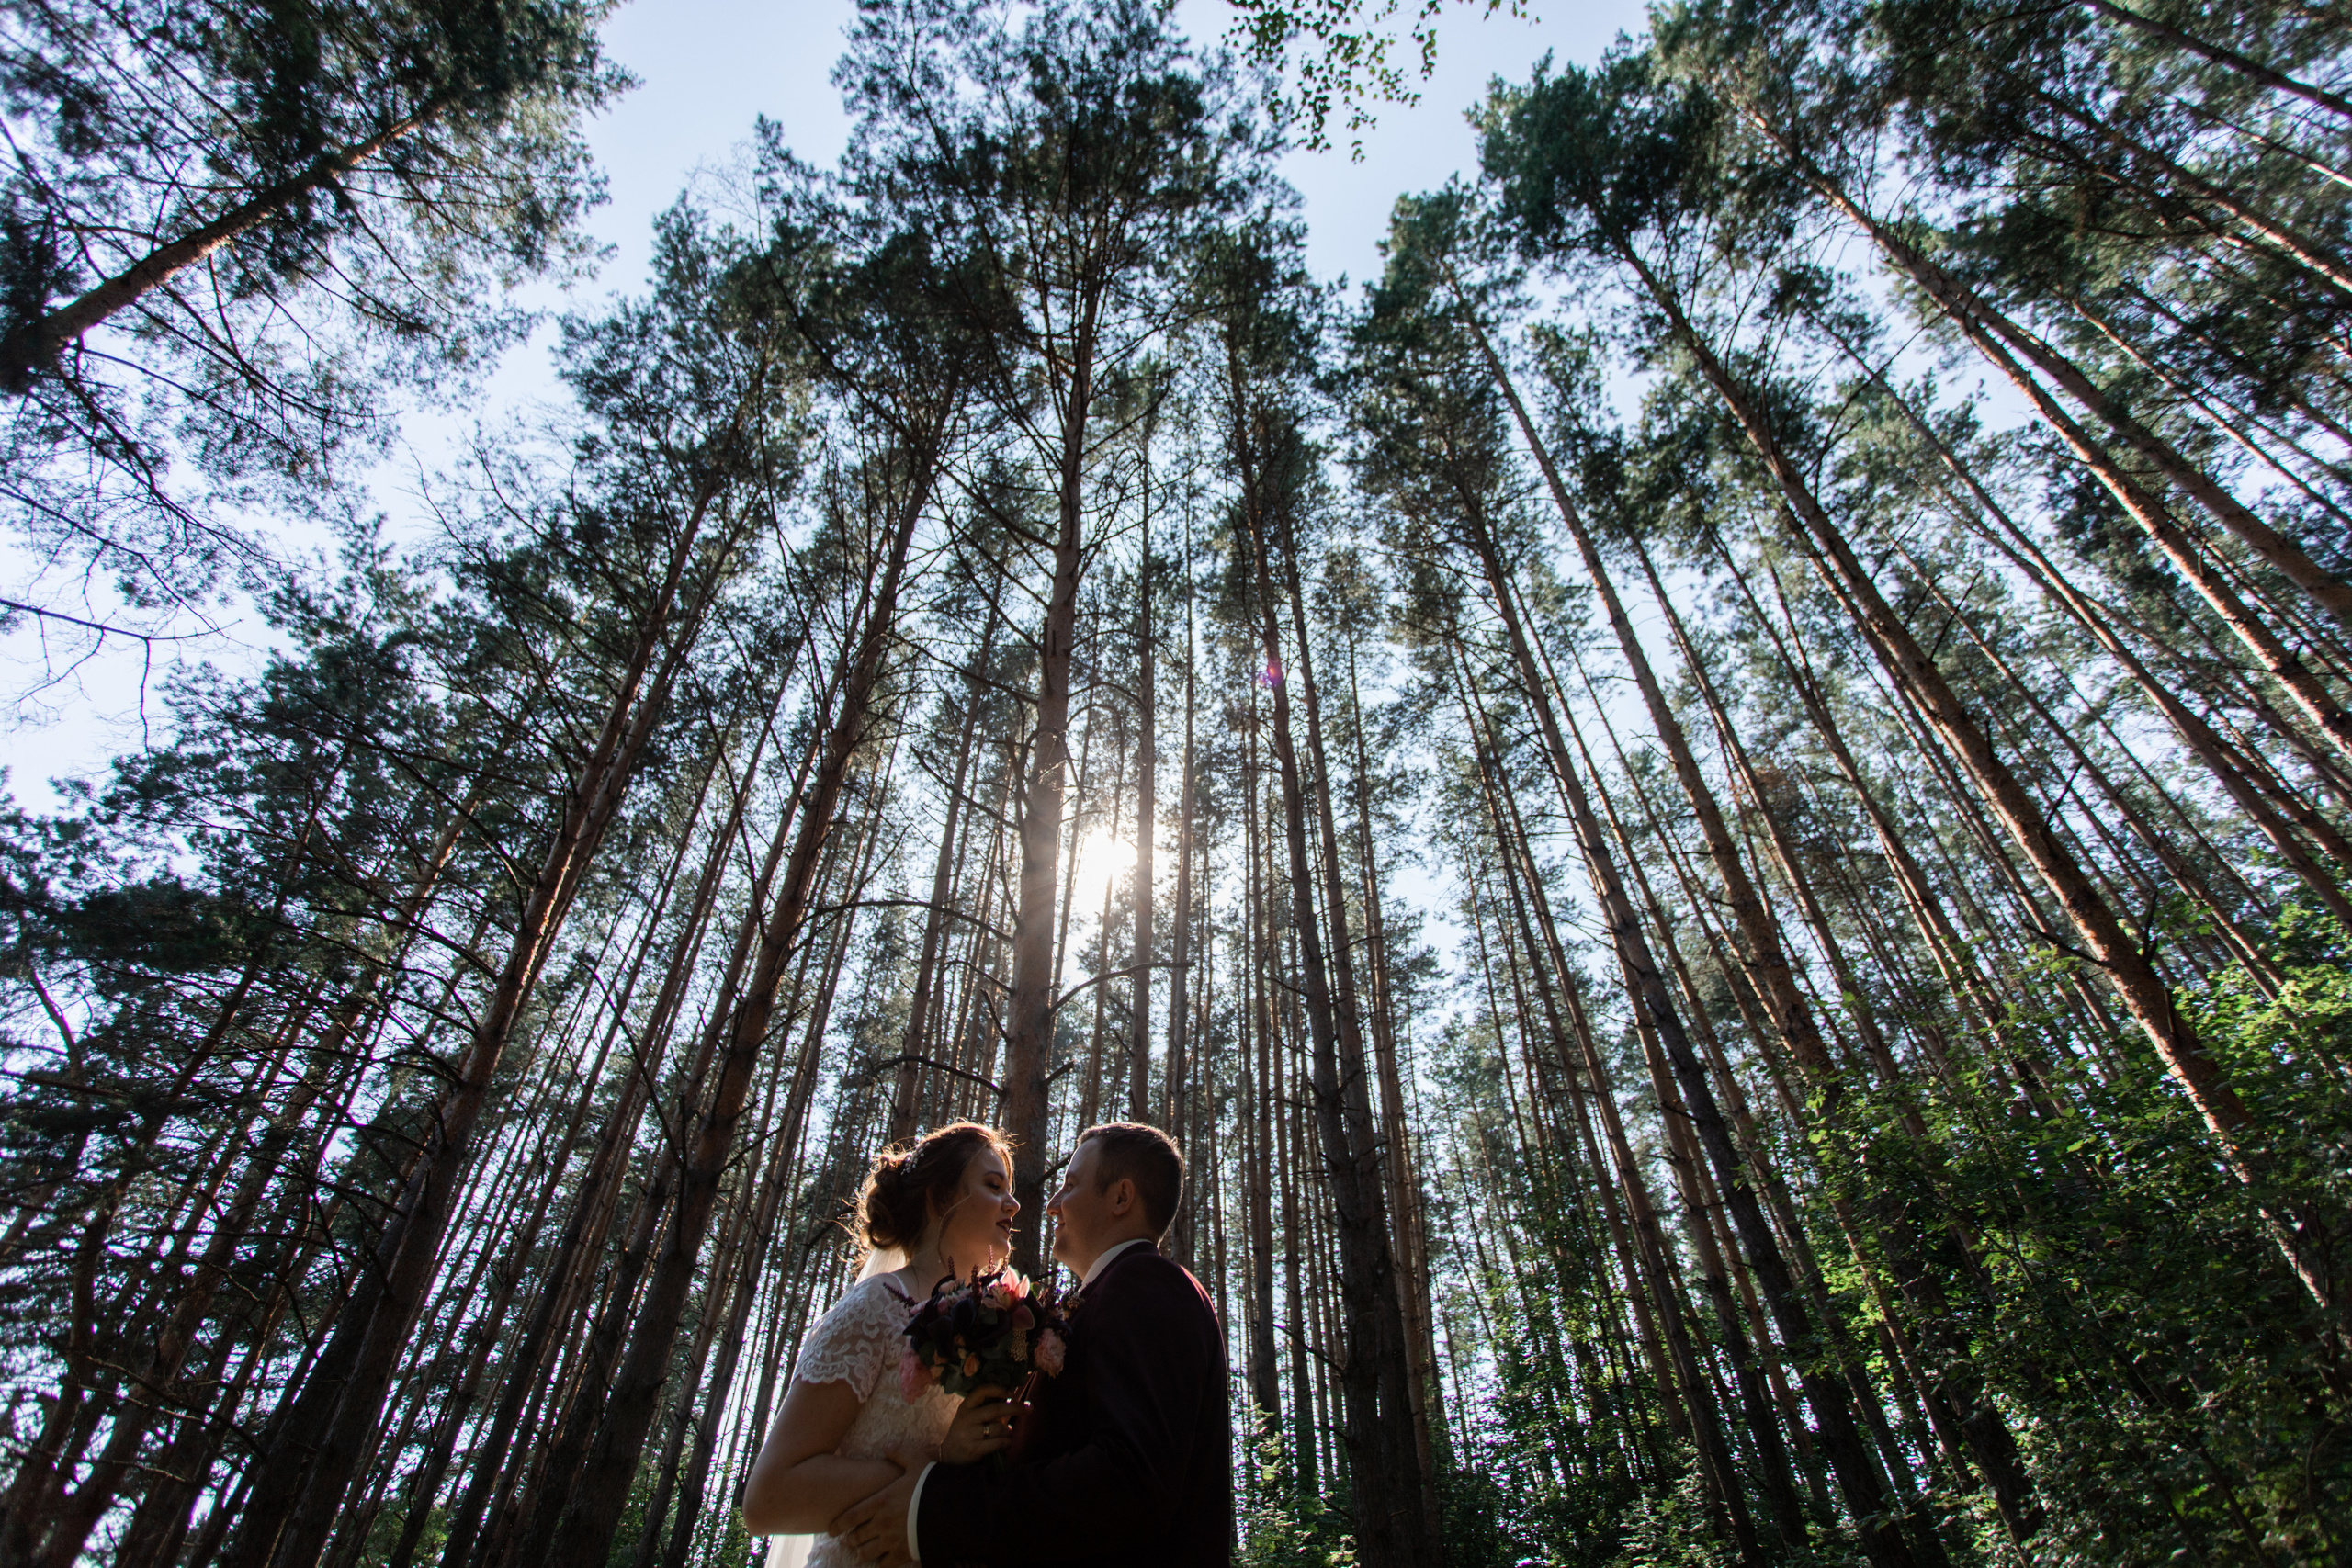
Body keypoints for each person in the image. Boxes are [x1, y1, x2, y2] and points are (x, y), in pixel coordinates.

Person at [833, 1121, 1231, 1568]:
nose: (1053, 1205)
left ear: (1121, 1198)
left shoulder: (1145, 1286)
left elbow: (1129, 1484)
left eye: (1071, 1185)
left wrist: (933, 1511)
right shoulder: (1107, 1299)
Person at [741, 1122, 1023, 1568]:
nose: (1014, 1204)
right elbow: (768, 1498)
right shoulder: (876, 1308)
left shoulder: (1004, 1326)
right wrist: (937, 1465)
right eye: (993, 1186)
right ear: (939, 1197)